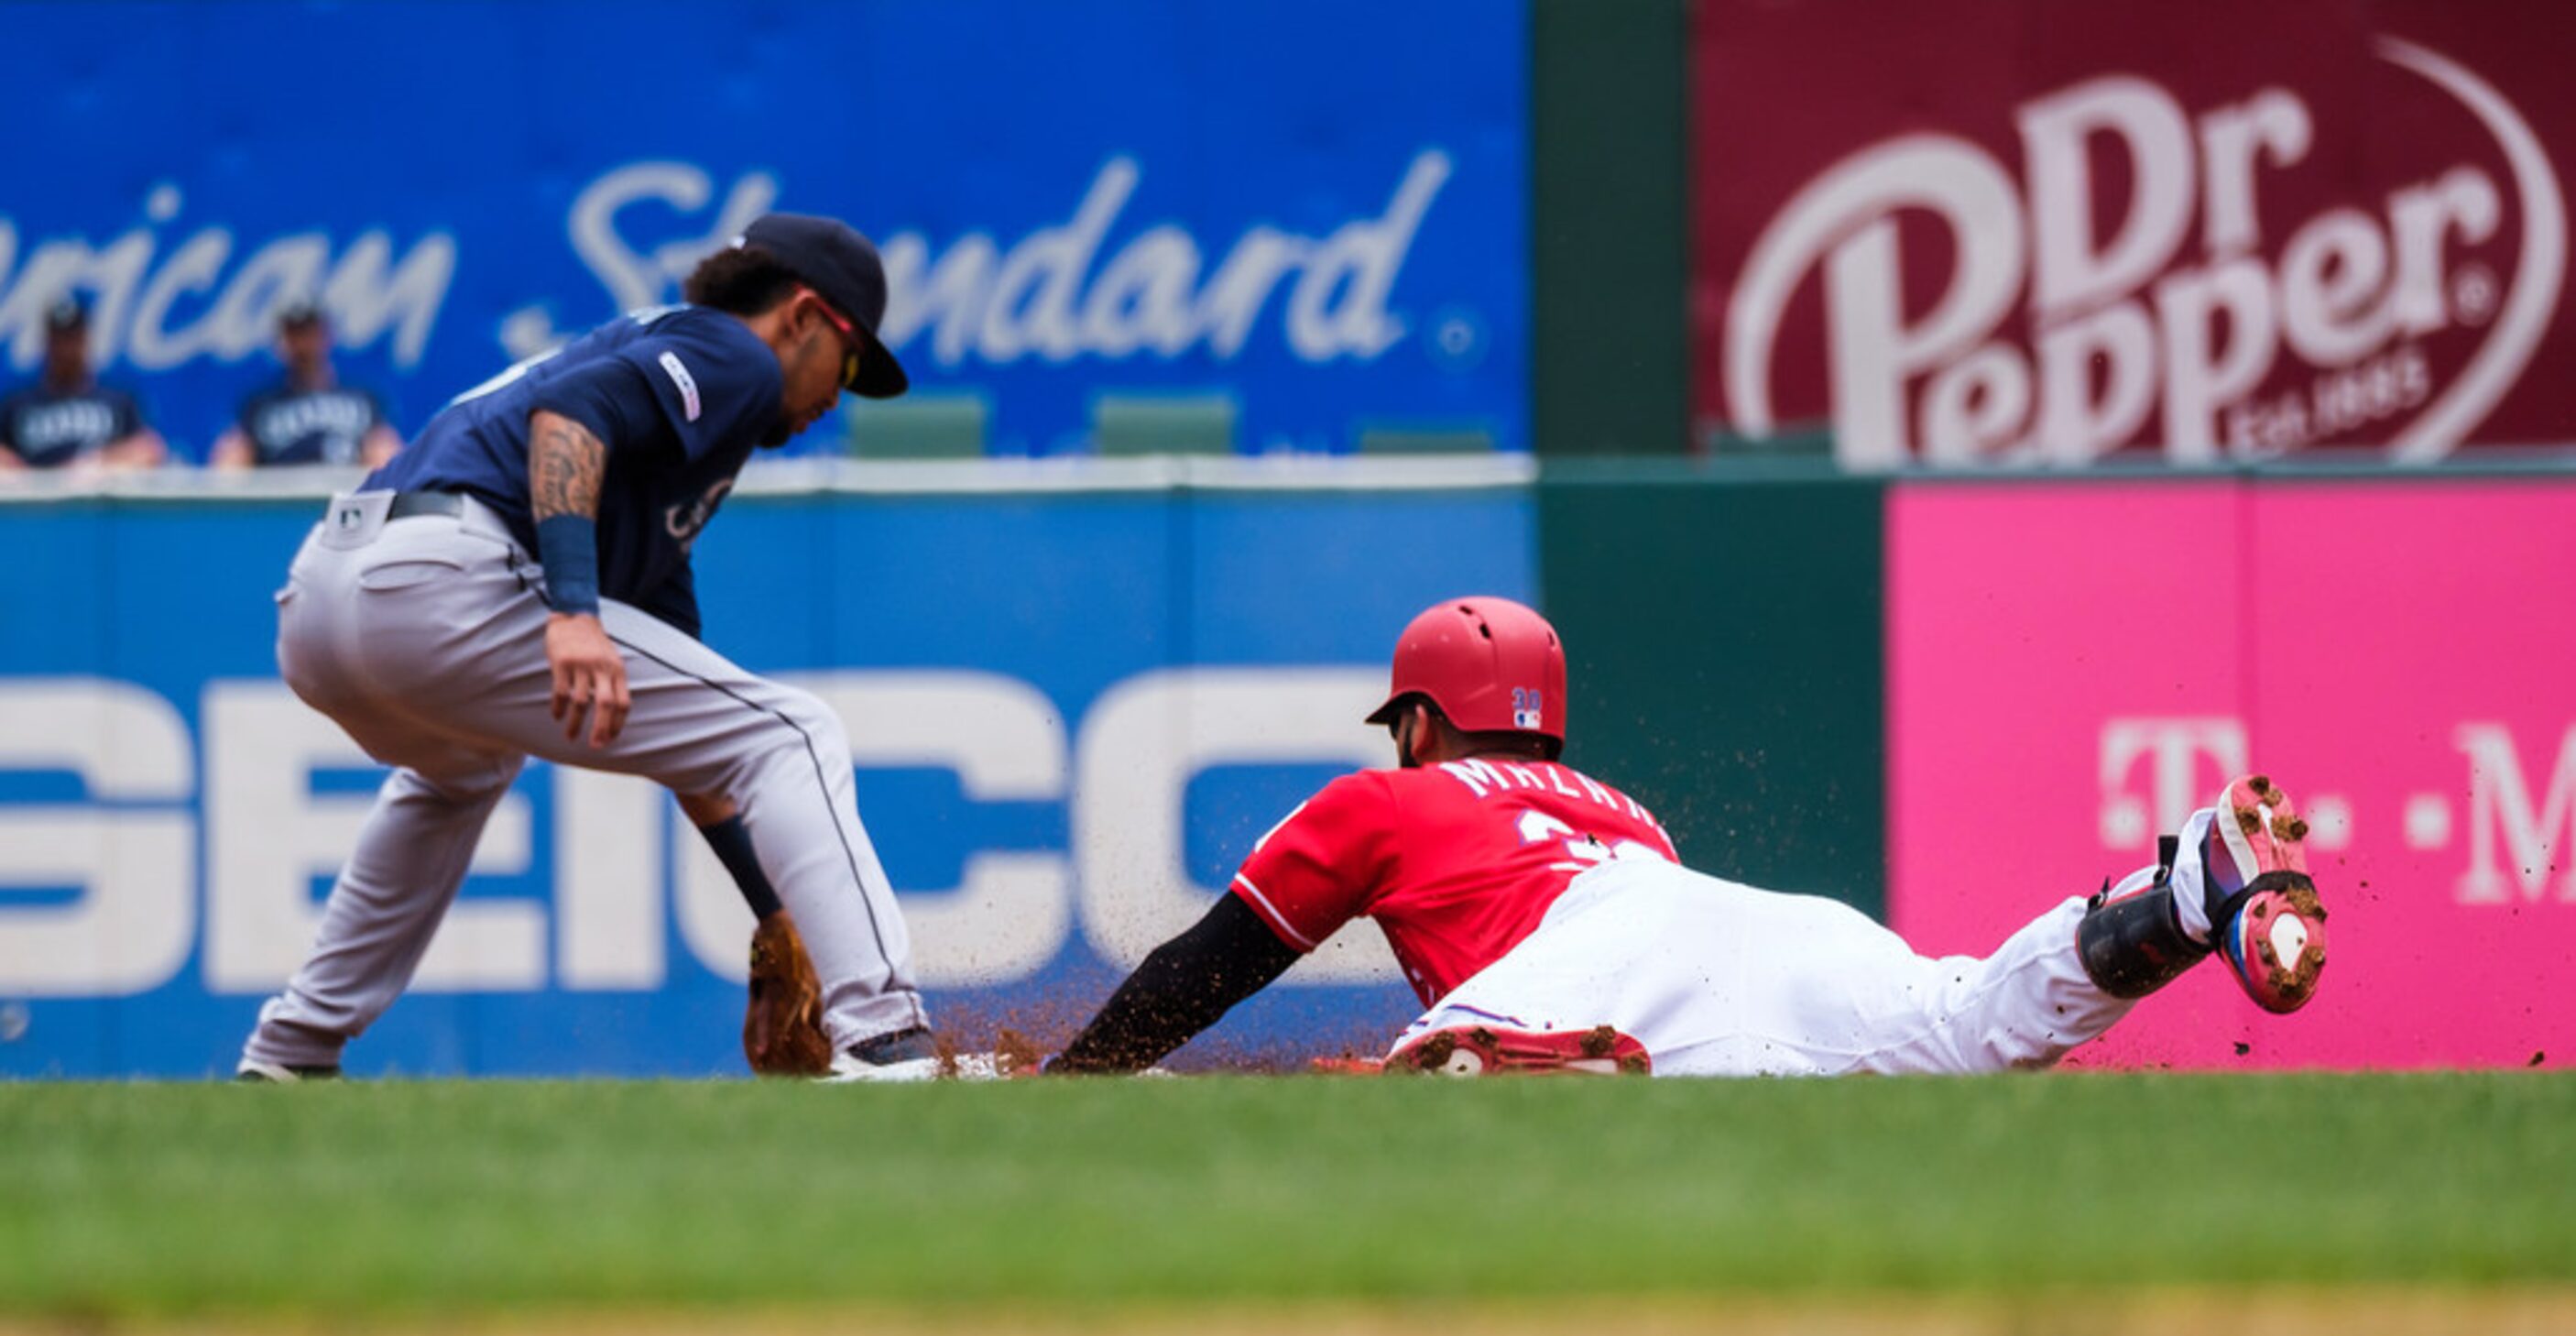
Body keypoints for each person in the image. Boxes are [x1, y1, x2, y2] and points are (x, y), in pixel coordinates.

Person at [1046, 596, 2330, 1077]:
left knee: (1438, 1071)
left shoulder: (1387, 797)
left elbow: (1198, 972)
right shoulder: (1620, 806)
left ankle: (1514, 1054)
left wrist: (1077, 1084)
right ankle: (2178, 895)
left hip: (1577, 961)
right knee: (1968, 1027)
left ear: (1424, 720)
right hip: (1753, 923)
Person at [235, 212, 943, 1082]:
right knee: (795, 732)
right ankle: (885, 1038)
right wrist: (573, 609)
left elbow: (702, 752)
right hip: (442, 572)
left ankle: (291, 1051)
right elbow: (567, 413)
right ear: (801, 316)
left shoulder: (668, 470)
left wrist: (773, 922)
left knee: (460, 770)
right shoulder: (735, 354)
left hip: (322, 600)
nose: (844, 391)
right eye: (853, 359)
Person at [211, 302, 402, 469]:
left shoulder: (362, 399)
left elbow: (385, 454)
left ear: (326, 336)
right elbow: (231, 461)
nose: (303, 344)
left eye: (309, 333)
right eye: (294, 334)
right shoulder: (260, 404)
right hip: (283, 502)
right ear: (282, 341)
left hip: (348, 498)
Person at [0, 299, 167, 472]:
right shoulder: (17, 405)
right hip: (38, 495)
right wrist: (25, 475)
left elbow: (150, 450)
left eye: (72, 339)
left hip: (100, 494)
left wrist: (96, 465)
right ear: (47, 342)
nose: (65, 349)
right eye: (59, 340)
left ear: (85, 339)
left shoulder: (116, 401)